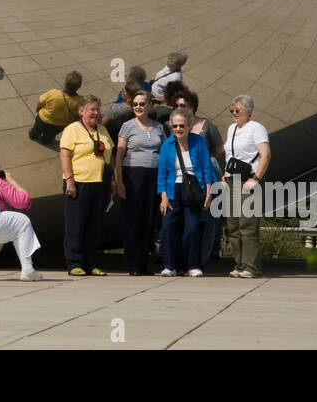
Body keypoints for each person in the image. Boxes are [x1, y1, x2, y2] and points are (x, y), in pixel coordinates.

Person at [158, 108, 217, 276]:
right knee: (168, 228)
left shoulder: (198, 142)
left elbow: (207, 169)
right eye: (175, 126)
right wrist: (163, 196)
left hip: (193, 189)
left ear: (189, 126)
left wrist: (208, 193)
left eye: (181, 125)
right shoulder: (167, 145)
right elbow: (162, 173)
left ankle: (192, 265)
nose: (178, 129)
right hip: (172, 189)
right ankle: (169, 266)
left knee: (192, 228)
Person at [113, 90, 167, 275]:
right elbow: (119, 155)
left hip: (153, 176)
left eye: (142, 104)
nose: (138, 107)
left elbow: (165, 152)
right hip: (132, 175)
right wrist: (119, 180)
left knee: (148, 220)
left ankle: (143, 263)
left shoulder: (159, 127)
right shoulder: (127, 126)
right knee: (132, 220)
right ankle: (133, 264)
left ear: (150, 105)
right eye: (135, 104)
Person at [169, 87, 224, 266]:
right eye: (176, 106)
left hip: (203, 179)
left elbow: (218, 148)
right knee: (181, 219)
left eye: (183, 105)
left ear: (192, 106)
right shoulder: (170, 126)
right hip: (180, 180)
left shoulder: (206, 126)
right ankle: (180, 258)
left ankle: (201, 259)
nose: (180, 108)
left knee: (207, 219)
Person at [59, 95, 112, 276]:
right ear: (82, 111)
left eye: (98, 110)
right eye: (92, 110)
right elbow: (65, 155)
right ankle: (74, 263)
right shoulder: (72, 130)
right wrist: (69, 181)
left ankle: (91, 263)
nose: (96, 113)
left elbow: (109, 156)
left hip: (99, 184)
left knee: (93, 226)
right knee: (75, 225)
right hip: (79, 183)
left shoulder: (103, 130)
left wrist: (112, 182)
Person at [224, 94, 270, 277]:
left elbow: (265, 154)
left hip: (248, 180)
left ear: (249, 111)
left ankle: (252, 266)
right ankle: (239, 264)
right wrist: (224, 174)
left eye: (238, 110)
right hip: (231, 179)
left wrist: (256, 178)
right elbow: (231, 155)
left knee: (248, 224)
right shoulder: (231, 128)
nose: (235, 113)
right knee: (233, 225)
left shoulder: (256, 128)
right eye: (232, 110)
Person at [30, 70, 84, 145]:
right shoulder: (80, 101)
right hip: (58, 126)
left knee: (36, 129)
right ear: (79, 86)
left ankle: (33, 136)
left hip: (43, 120)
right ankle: (45, 141)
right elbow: (80, 115)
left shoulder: (53, 93)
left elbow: (40, 102)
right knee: (49, 135)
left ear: (65, 83)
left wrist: (37, 109)